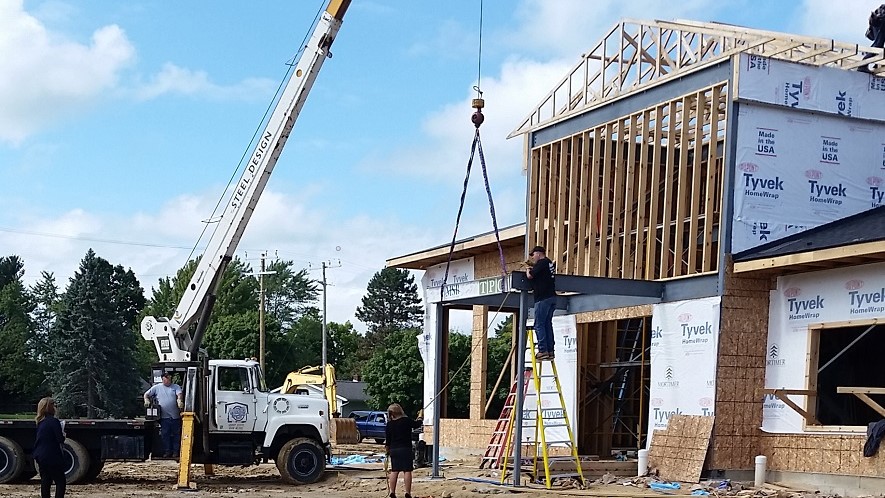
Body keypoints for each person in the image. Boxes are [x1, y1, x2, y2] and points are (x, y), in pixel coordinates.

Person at [384, 403, 423, 498]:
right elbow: (417, 424)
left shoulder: (389, 424)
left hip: (394, 449)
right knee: (407, 471)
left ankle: (392, 492)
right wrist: (420, 417)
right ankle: (407, 493)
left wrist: (387, 451)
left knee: (394, 471)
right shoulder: (406, 421)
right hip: (405, 449)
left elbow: (388, 440)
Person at [526, 245, 556, 360]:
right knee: (547, 324)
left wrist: (528, 269)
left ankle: (543, 350)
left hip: (543, 298)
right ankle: (550, 351)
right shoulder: (549, 263)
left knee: (539, 324)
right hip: (551, 297)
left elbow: (530, 276)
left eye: (533, 255)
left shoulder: (542, 263)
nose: (533, 258)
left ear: (538, 253)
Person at [144, 371, 184, 458]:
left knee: (176, 435)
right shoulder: (157, 387)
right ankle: (167, 452)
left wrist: (179, 400)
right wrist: (146, 400)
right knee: (165, 435)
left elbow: (179, 394)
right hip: (164, 418)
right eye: (166, 379)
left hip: (175, 417)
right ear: (163, 379)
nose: (168, 381)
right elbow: (146, 394)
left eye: (169, 379)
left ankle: (175, 452)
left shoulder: (175, 387)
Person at [34, 397, 66, 498]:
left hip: (40, 455)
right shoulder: (53, 421)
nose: (56, 407)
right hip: (51, 455)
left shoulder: (40, 422)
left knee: (46, 480)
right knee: (60, 481)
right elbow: (60, 439)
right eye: (54, 405)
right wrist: (64, 435)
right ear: (50, 407)